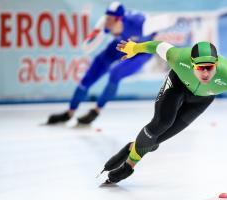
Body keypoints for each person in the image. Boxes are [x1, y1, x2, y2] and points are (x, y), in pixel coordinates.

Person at [100, 40, 227, 184]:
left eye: (210, 67)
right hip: (178, 85)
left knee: (156, 140)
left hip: (201, 100)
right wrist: (135, 48)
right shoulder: (178, 57)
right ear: (191, 63)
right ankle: (128, 167)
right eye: (200, 67)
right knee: (161, 123)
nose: (205, 73)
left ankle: (132, 147)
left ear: (216, 64)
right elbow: (158, 46)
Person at [47, 2, 177, 125]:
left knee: (115, 74)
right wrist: (100, 32)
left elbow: (169, 19)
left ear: (119, 19)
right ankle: (70, 112)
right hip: (121, 45)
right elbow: (87, 47)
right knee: (93, 71)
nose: (107, 22)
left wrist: (168, 23)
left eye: (111, 19)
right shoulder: (104, 23)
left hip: (141, 51)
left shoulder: (141, 24)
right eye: (107, 18)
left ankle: (96, 111)